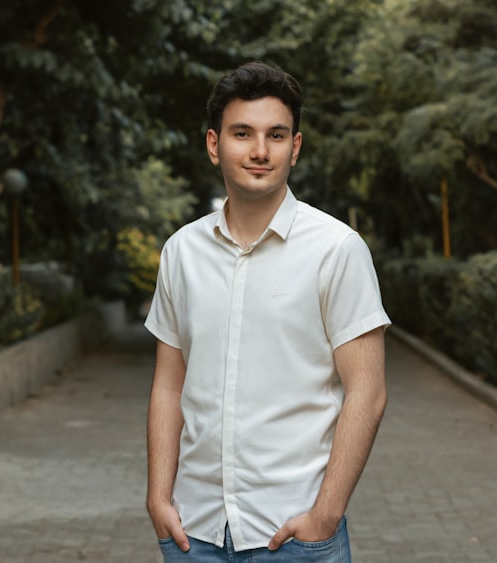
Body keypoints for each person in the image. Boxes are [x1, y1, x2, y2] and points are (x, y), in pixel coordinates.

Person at [145, 61, 390, 562]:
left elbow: (368, 390)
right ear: (215, 145)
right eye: (242, 133)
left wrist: (326, 514)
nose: (259, 151)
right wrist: (158, 497)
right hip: (195, 534)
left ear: (294, 147)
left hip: (297, 535)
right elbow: (169, 385)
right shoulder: (181, 252)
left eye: (276, 135)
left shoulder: (337, 249)